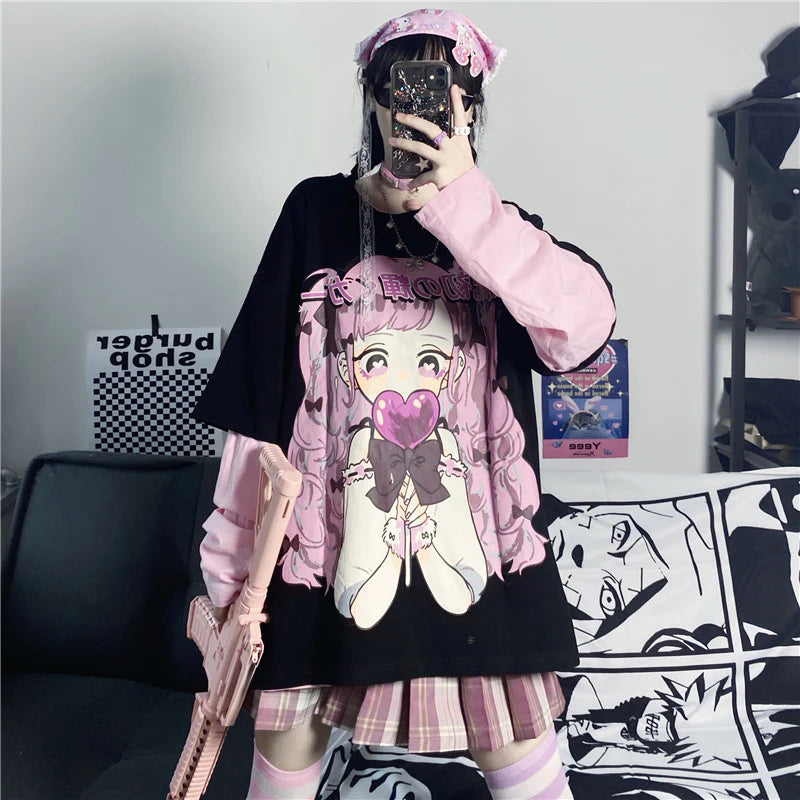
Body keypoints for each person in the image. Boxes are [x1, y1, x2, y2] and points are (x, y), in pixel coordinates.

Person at [193, 8, 616, 800]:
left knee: (528, 775)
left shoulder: (503, 237)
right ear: (373, 101)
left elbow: (582, 334)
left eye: (444, 92)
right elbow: (259, 407)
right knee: (280, 778)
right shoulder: (314, 213)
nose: (418, 110)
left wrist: (466, 203)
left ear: (468, 110)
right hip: (318, 575)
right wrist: (229, 577)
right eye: (401, 89)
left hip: (480, 583)